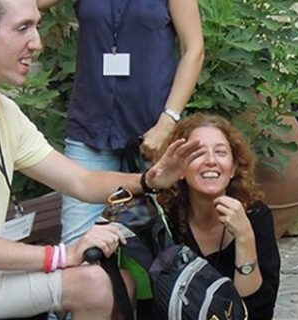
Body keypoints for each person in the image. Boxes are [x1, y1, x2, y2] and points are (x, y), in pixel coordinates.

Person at [0, 0, 204, 318]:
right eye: (23, 29)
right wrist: (62, 255)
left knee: (113, 281)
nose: (37, 43)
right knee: (93, 285)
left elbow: (80, 181)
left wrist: (148, 181)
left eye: (36, 27)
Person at [36, 0, 205, 247]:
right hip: (90, 130)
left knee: (160, 246)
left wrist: (168, 121)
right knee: (78, 244)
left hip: (153, 136)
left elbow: (194, 50)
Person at [156, 113, 280, 319]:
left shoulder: (256, 216)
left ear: (233, 169)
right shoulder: (165, 219)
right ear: (180, 169)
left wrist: (244, 237)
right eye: (198, 153)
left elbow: (259, 312)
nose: (211, 161)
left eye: (221, 152)